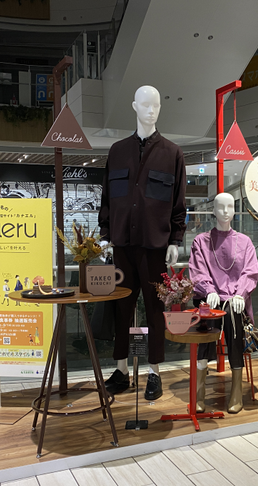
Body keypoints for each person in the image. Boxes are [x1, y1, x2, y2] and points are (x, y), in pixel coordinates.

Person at [98, 85, 186, 401]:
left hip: (155, 247)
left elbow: (178, 202)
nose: (151, 110)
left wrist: (176, 239)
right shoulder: (117, 151)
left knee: (155, 309)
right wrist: (105, 236)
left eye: (156, 105)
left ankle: (154, 372)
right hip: (122, 244)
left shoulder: (172, 153)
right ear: (134, 106)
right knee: (121, 307)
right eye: (145, 105)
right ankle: (121, 369)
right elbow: (107, 198)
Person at [189, 193, 258, 413]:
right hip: (210, 300)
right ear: (213, 210)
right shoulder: (201, 241)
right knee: (208, 314)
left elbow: (250, 272)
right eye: (221, 207)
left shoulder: (244, 242)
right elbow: (198, 271)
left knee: (233, 314)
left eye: (230, 206)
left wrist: (240, 294)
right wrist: (209, 290)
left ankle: (236, 390)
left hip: (235, 302)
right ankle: (199, 390)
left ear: (235, 210)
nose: (226, 211)